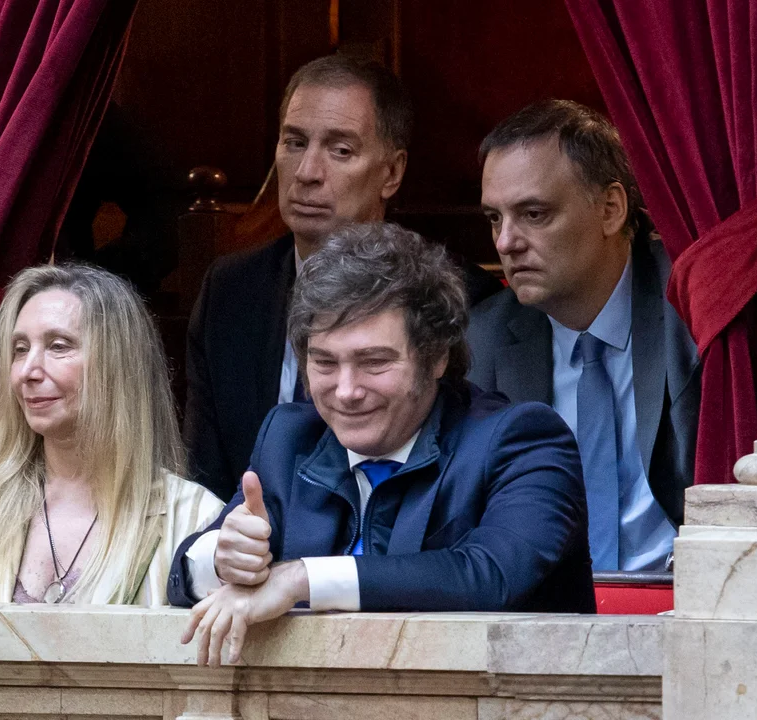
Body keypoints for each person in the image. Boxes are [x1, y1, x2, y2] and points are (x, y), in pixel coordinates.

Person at [170, 222, 595, 667]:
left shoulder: (523, 440)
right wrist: (222, 559)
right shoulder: (290, 438)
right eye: (325, 363)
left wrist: (300, 579)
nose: (346, 391)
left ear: (437, 357)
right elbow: (184, 572)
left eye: (373, 362)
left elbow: (488, 575)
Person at [184, 54, 500, 501]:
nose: (307, 173)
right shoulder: (231, 290)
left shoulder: (461, 298)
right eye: (294, 143)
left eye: (340, 151)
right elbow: (204, 480)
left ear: (392, 173)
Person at [468, 99, 701, 572]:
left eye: (534, 213)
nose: (506, 242)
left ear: (611, 209)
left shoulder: (691, 309)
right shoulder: (481, 340)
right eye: (495, 218)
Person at [0, 263, 223, 604]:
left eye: (58, 346)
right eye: (20, 349)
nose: (28, 371)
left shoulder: (195, 521)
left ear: (116, 365)